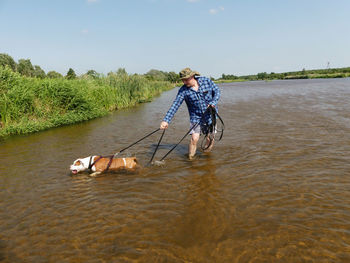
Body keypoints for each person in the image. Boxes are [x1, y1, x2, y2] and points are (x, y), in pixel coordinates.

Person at [160, 67, 221, 159]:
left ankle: (206, 155)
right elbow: (175, 105)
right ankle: (191, 159)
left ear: (192, 76)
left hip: (210, 115)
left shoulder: (206, 81)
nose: (184, 82)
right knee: (194, 139)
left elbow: (217, 91)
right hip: (195, 117)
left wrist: (213, 102)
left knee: (210, 138)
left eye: (186, 79)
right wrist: (166, 120)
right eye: (182, 80)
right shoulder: (183, 91)